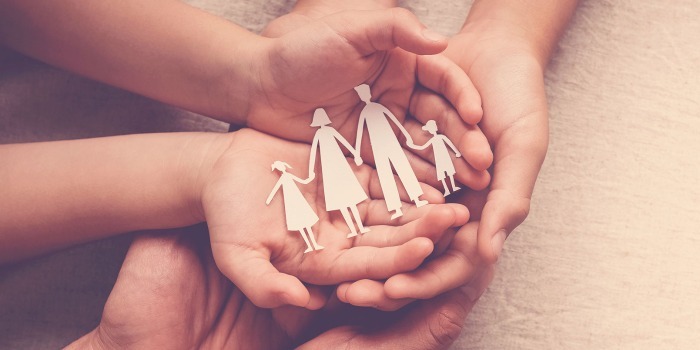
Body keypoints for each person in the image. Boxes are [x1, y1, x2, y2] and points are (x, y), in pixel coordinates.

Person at [354, 83, 428, 220]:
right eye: (361, 95)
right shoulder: (364, 112)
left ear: (369, 94)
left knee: (403, 168)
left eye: (365, 94)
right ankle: (395, 207)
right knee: (385, 176)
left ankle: (417, 198)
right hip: (377, 147)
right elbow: (359, 132)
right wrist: (357, 153)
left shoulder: (378, 107)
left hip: (391, 142)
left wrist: (406, 135)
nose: (364, 97)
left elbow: (395, 121)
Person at [307, 108, 369, 238]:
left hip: (338, 165)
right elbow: (313, 152)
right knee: (343, 201)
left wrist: (356, 154)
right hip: (330, 167)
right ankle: (354, 228)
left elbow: (343, 142)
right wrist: (311, 170)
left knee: (348, 200)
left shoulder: (328, 131)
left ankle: (359, 227)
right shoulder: (320, 133)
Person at [266, 160, 323, 253]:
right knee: (300, 225)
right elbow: (276, 188)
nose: (283, 168)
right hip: (290, 202)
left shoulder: (288, 176)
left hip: (298, 199)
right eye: (281, 167)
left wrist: (310, 178)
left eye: (283, 166)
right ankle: (309, 246)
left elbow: (303, 181)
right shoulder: (282, 178)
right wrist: (269, 198)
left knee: (306, 223)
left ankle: (314, 244)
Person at [410, 120, 462, 197]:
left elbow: (450, 144)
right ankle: (447, 190)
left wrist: (457, 152)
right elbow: (422, 147)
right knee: (442, 174)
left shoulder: (441, 137)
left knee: (449, 172)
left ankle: (453, 187)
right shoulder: (433, 139)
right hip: (438, 159)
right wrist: (412, 145)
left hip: (445, 157)